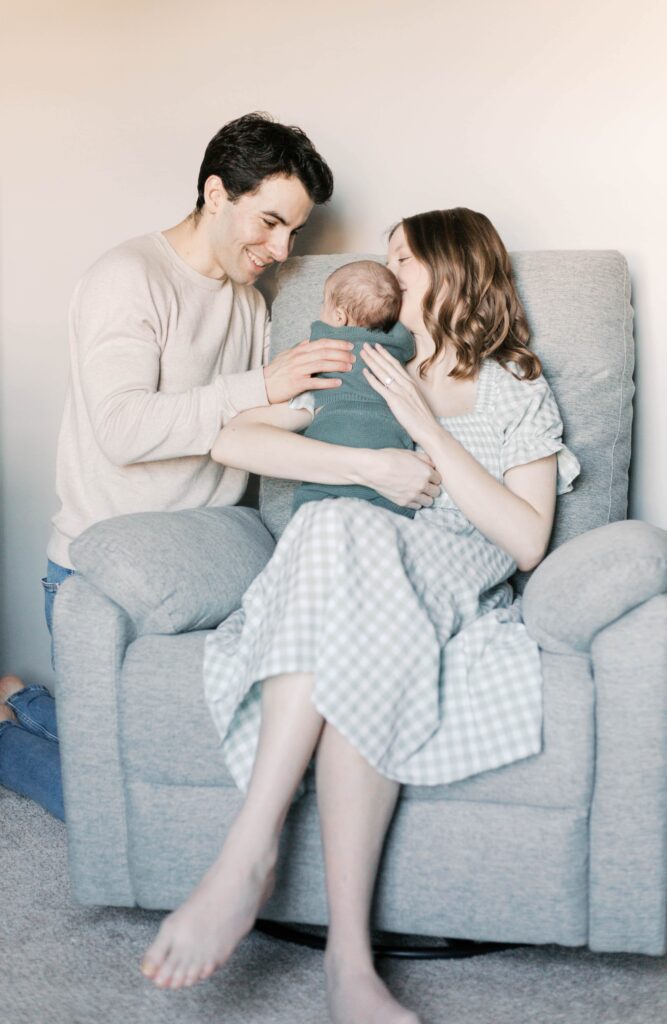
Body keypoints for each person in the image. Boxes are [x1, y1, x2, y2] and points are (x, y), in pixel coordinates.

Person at [140, 207, 580, 1024]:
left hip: (450, 568)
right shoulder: (359, 362)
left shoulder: (514, 381)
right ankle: (348, 963)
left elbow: (523, 540)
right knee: (340, 539)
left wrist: (422, 429)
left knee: (341, 539)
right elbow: (234, 441)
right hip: (346, 573)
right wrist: (368, 465)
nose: (386, 276)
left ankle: (246, 853)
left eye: (403, 260)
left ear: (452, 270)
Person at [2, 112, 413, 819]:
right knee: (129, 803)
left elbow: (245, 425)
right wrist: (260, 387)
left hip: (203, 567)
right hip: (106, 570)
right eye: (270, 222)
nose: (281, 249)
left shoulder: (248, 304)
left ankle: (24, 702)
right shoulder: (128, 278)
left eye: (295, 232)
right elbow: (123, 429)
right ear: (217, 194)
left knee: (198, 763)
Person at [294, 259, 417, 517]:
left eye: (323, 304)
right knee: (391, 510)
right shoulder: (399, 346)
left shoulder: (323, 340)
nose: (320, 312)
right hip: (388, 440)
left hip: (334, 431)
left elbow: (301, 363)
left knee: (312, 502)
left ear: (339, 316)